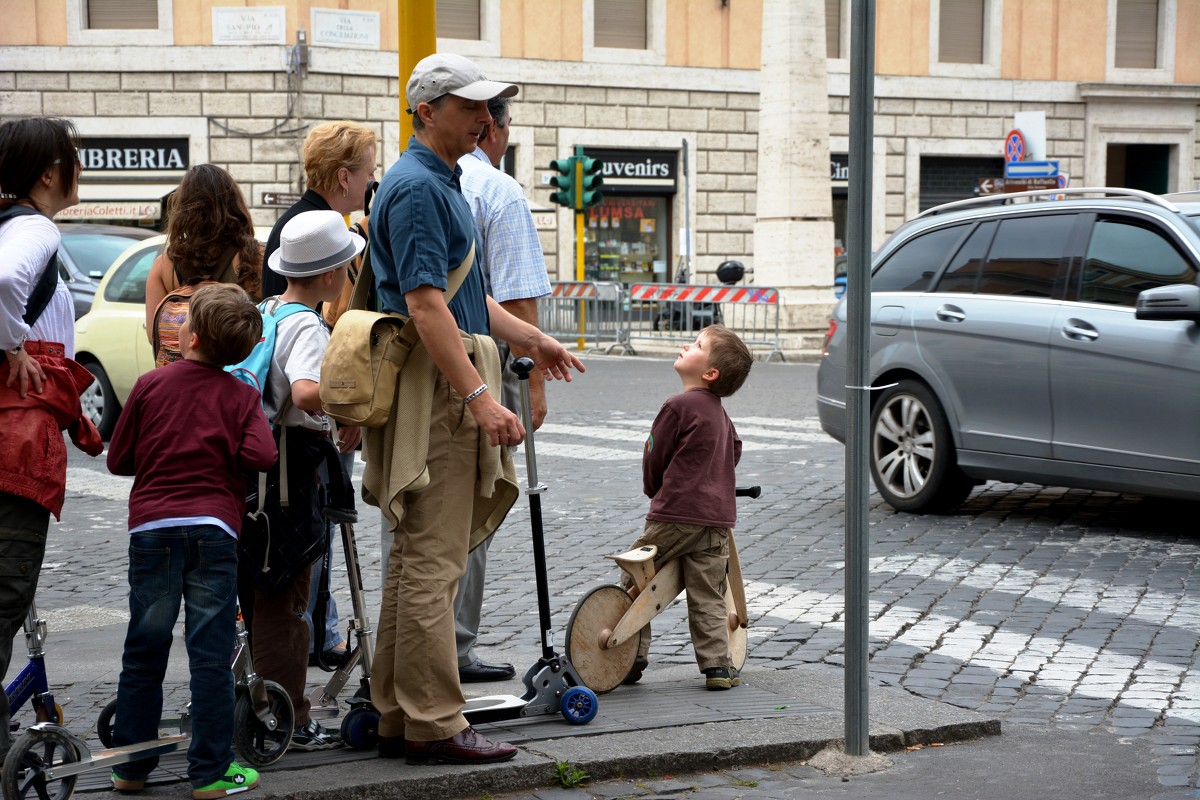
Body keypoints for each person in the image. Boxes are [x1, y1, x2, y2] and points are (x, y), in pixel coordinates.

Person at [365, 52, 584, 765]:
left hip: (438, 387)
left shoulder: (435, 180)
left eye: (489, 108)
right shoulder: (423, 188)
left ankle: (399, 711)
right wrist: (480, 397)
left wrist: (532, 337)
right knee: (434, 561)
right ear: (427, 111)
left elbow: (460, 291)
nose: (486, 121)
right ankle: (434, 721)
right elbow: (427, 307)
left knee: (415, 562)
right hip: (440, 394)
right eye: (471, 108)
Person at [106, 283, 276, 798]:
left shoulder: (150, 385)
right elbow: (262, 456)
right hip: (214, 531)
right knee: (210, 652)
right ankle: (210, 771)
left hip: (153, 529)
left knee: (144, 648)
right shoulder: (242, 395)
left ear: (191, 335)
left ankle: (130, 768)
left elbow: (118, 459)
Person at [0, 116, 104, 766]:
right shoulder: (35, 228)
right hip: (17, 445)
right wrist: (14, 346)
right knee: (4, 592)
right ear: (48, 174)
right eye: (73, 159)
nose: (80, 170)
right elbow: (7, 284)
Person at [247, 209, 363, 751]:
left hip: (254, 473)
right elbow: (306, 392)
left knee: (257, 595)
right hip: (288, 476)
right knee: (287, 601)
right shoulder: (307, 325)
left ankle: (252, 698)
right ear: (331, 275)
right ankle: (287, 715)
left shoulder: (266, 309)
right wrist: (350, 410)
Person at [263, 121, 375, 666]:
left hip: (272, 450)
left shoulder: (275, 301)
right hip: (298, 454)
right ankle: (305, 658)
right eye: (369, 172)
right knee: (307, 554)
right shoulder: (307, 314)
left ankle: (304, 640)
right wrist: (343, 405)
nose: (371, 182)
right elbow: (306, 388)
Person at [452, 93, 552, 684]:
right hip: (487, 367)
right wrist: (534, 387)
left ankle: (419, 642)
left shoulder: (423, 183)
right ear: (493, 130)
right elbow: (517, 301)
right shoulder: (501, 194)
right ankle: (456, 646)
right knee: (478, 503)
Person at [626, 324, 753, 690]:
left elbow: (654, 453)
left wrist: (653, 488)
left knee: (635, 580)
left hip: (675, 515)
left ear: (709, 373)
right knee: (708, 593)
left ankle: (630, 655)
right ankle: (718, 667)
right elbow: (735, 452)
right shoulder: (721, 414)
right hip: (716, 522)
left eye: (697, 344)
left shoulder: (678, 406)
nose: (686, 344)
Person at [145, 163, 262, 367]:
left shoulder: (164, 265)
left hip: (184, 382)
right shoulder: (254, 257)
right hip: (241, 379)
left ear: (183, 208)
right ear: (234, 204)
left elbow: (154, 336)